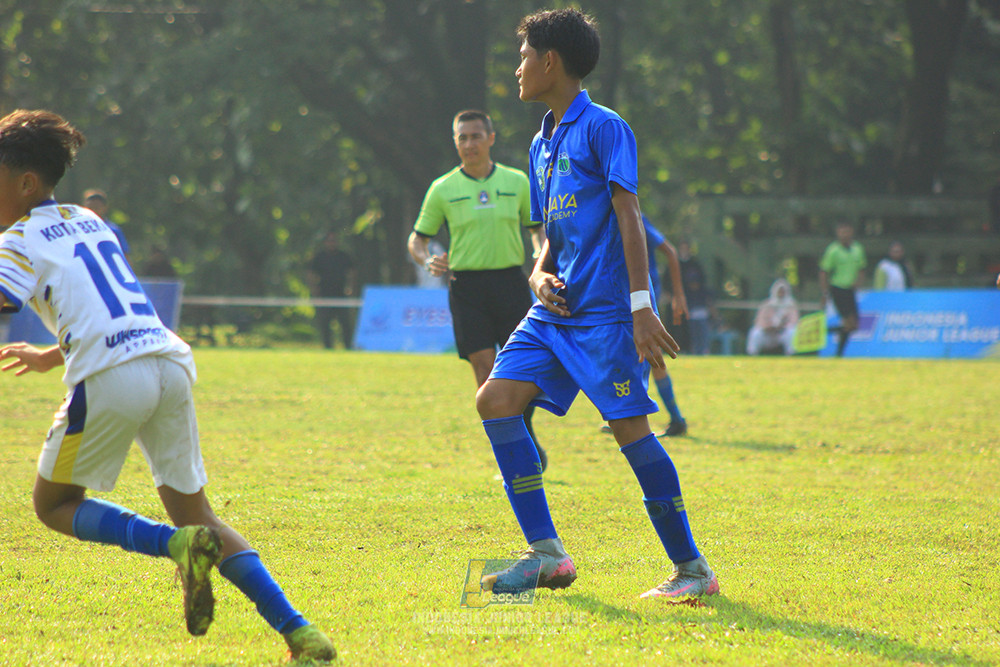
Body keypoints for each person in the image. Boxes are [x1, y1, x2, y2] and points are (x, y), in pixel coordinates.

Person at [0, 109, 334, 663]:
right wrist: (49, 354)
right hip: (166, 362)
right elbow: (107, 305)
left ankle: (174, 546)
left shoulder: (15, 239)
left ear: (26, 182)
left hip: (111, 376)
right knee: (199, 515)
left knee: (52, 504)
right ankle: (302, 634)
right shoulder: (87, 218)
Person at [474, 9, 719, 601]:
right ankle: (547, 556)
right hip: (552, 313)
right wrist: (538, 273)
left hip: (606, 314)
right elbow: (549, 236)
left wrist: (640, 307)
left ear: (550, 61)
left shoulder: (606, 127)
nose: (518, 67)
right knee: (495, 399)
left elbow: (629, 216)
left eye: (525, 55)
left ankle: (693, 570)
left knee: (630, 430)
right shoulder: (541, 142)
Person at [407, 109, 548, 470]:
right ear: (455, 143)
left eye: (475, 136)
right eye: (462, 138)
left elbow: (536, 227)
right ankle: (510, 452)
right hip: (466, 288)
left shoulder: (517, 182)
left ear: (491, 138)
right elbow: (417, 240)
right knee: (485, 370)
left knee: (519, 368)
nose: (469, 144)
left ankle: (525, 431)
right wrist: (426, 260)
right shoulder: (443, 188)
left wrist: (539, 255)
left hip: (510, 284)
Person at [601, 215, 689, 436]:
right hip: (621, 295)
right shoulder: (602, 216)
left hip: (641, 299)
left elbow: (669, 251)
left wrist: (678, 294)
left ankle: (675, 419)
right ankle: (626, 417)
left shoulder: (632, 216)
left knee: (649, 354)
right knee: (631, 355)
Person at [819, 221, 867, 357]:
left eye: (847, 231)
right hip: (837, 289)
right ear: (838, 233)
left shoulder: (857, 249)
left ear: (851, 232)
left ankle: (826, 332)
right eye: (841, 231)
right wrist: (825, 292)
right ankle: (839, 353)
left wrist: (858, 284)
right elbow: (824, 271)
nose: (844, 234)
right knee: (848, 322)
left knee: (853, 325)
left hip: (850, 290)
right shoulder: (833, 250)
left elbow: (861, 268)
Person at [308, 229, 356, 350]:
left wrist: (350, 287)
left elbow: (352, 272)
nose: (332, 243)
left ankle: (348, 347)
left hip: (340, 294)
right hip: (324, 295)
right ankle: (327, 347)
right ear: (325, 242)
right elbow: (311, 273)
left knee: (345, 324)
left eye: (334, 240)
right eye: (329, 241)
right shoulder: (319, 257)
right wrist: (314, 289)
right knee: (325, 324)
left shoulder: (343, 256)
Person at [666, 240, 714, 355]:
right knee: (677, 325)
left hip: (691, 301)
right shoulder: (673, 264)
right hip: (676, 300)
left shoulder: (695, 265)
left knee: (692, 326)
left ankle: (690, 349)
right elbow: (667, 282)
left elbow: (699, 283)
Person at [746, 278, 799, 355]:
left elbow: (794, 322)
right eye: (779, 291)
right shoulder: (766, 305)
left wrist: (781, 327)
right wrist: (769, 327)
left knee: (792, 332)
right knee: (755, 332)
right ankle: (752, 353)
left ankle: (790, 354)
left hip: (782, 334)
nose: (781, 293)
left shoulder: (791, 305)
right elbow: (759, 321)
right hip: (767, 333)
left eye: (783, 291)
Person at [82, 188, 129, 257]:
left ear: (105, 207)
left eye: (97, 207)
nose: (94, 211)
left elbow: (124, 254)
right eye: (90, 208)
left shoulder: (113, 230)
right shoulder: (79, 230)